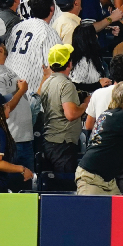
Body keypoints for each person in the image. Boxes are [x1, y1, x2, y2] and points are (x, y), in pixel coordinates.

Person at [0, 33, 33, 171]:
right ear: (0, 49)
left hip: (21, 137)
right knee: (17, 186)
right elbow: (2, 109)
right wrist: (22, 91)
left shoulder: (1, 68)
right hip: (12, 139)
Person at [39, 43, 89, 174]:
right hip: (63, 144)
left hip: (50, 142)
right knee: (64, 186)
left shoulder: (46, 83)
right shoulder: (66, 85)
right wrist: (85, 104)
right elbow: (71, 114)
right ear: (69, 64)